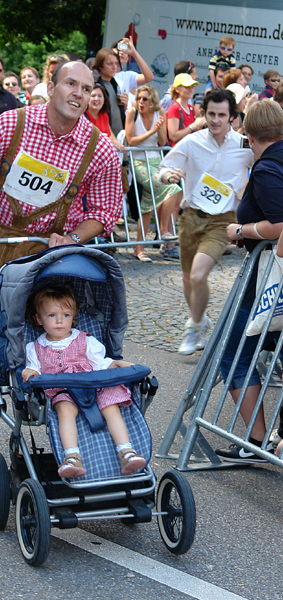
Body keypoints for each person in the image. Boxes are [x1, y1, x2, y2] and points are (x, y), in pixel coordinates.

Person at [0, 60, 123, 502]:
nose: (78, 92)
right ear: (51, 87)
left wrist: (72, 236)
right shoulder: (11, 124)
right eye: (70, 83)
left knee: (19, 358)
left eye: (87, 87)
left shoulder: (101, 148)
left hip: (45, 265)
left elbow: (106, 211)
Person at [159, 88, 253, 355]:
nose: (216, 120)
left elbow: (265, 158)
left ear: (232, 116)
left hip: (222, 222)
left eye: (222, 115)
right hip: (190, 218)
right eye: (211, 114)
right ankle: (200, 320)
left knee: (199, 274)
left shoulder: (243, 143)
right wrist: (169, 176)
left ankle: (194, 324)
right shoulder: (191, 142)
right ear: (204, 113)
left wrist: (249, 190)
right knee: (189, 279)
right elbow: (163, 168)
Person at [215, 99, 283, 463]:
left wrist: (241, 229)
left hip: (268, 283)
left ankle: (257, 441)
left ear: (248, 131)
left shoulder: (268, 167)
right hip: (269, 276)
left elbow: (281, 223)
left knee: (235, 354)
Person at [22, 285, 146, 478]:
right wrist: (30, 371)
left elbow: (101, 364)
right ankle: (72, 457)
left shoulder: (86, 339)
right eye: (52, 315)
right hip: (62, 389)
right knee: (65, 410)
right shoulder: (35, 347)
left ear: (73, 316)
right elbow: (34, 370)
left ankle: (126, 452)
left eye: (65, 315)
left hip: (93, 385)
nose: (60, 321)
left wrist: (119, 364)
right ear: (39, 318)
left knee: (110, 405)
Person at [125, 85, 181, 262]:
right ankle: (164, 231)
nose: (141, 102)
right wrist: (150, 131)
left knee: (148, 206)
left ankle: (139, 248)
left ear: (153, 101)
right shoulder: (132, 113)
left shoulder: (161, 113)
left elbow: (163, 141)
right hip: (139, 161)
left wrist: (159, 129)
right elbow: (131, 141)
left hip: (157, 161)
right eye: (139, 98)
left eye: (145, 99)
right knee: (170, 189)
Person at [92, 48, 125, 136]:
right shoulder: (94, 84)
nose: (114, 67)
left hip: (118, 136)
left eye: (116, 63)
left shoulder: (114, 83)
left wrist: (124, 105)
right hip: (104, 137)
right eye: (110, 64)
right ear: (100, 66)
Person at [167, 74, 206, 147]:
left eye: (192, 86)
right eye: (187, 87)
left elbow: (190, 131)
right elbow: (173, 137)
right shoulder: (174, 108)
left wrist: (200, 124)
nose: (191, 89)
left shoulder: (191, 108)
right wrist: (194, 125)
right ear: (177, 89)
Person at [85, 83, 125, 151]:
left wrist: (117, 144)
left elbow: (110, 135)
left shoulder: (104, 115)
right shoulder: (81, 116)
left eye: (100, 96)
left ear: (104, 100)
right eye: (93, 96)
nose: (96, 99)